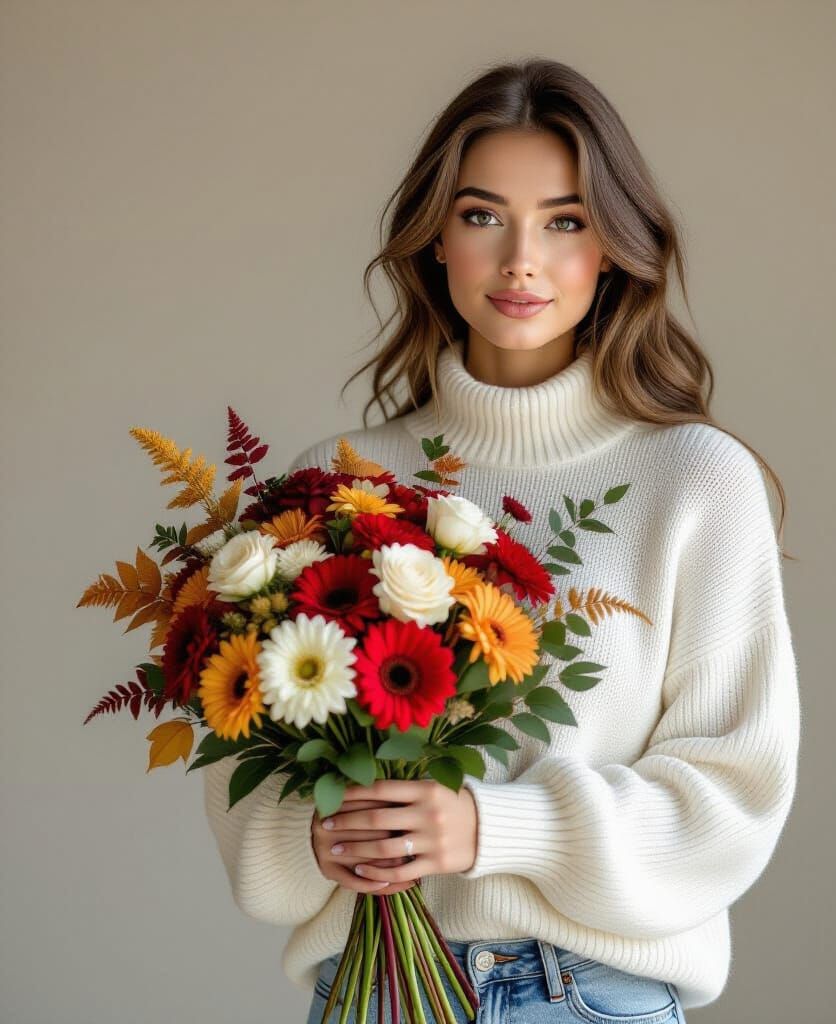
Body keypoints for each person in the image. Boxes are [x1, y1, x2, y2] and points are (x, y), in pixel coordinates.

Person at [203, 57, 801, 1023]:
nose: (522, 259)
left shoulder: (696, 480)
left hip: (590, 997)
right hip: (374, 989)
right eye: (483, 215)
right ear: (437, 238)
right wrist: (317, 838)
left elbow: (733, 798)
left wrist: (493, 826)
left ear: (613, 249)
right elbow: (249, 770)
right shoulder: (341, 484)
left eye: (566, 222)